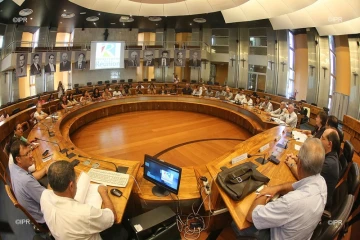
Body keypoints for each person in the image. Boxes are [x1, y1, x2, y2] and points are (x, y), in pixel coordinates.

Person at [235, 138, 327, 240]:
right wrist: (277, 188)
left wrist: (265, 191)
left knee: (237, 223)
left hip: (276, 236)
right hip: (302, 235)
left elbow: (251, 216)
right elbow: (296, 185)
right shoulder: (321, 182)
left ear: (299, 163)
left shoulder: (291, 202)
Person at [41, 161, 128, 240]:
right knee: (122, 231)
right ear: (71, 186)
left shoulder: (44, 197)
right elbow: (112, 216)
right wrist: (103, 192)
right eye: (76, 181)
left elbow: (49, 189)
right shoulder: (85, 213)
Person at [285, 129, 339, 209]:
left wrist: (291, 164)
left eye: (322, 138)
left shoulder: (328, 164)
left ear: (329, 144)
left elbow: (304, 177)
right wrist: (298, 160)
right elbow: (311, 166)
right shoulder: (329, 155)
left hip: (316, 204)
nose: (319, 140)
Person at [9, 140, 48, 228]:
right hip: (43, 219)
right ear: (18, 159)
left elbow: (32, 176)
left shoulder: (14, 168)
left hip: (33, 214)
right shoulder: (26, 181)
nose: (31, 155)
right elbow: (48, 199)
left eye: (30, 151)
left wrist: (45, 169)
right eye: (27, 154)